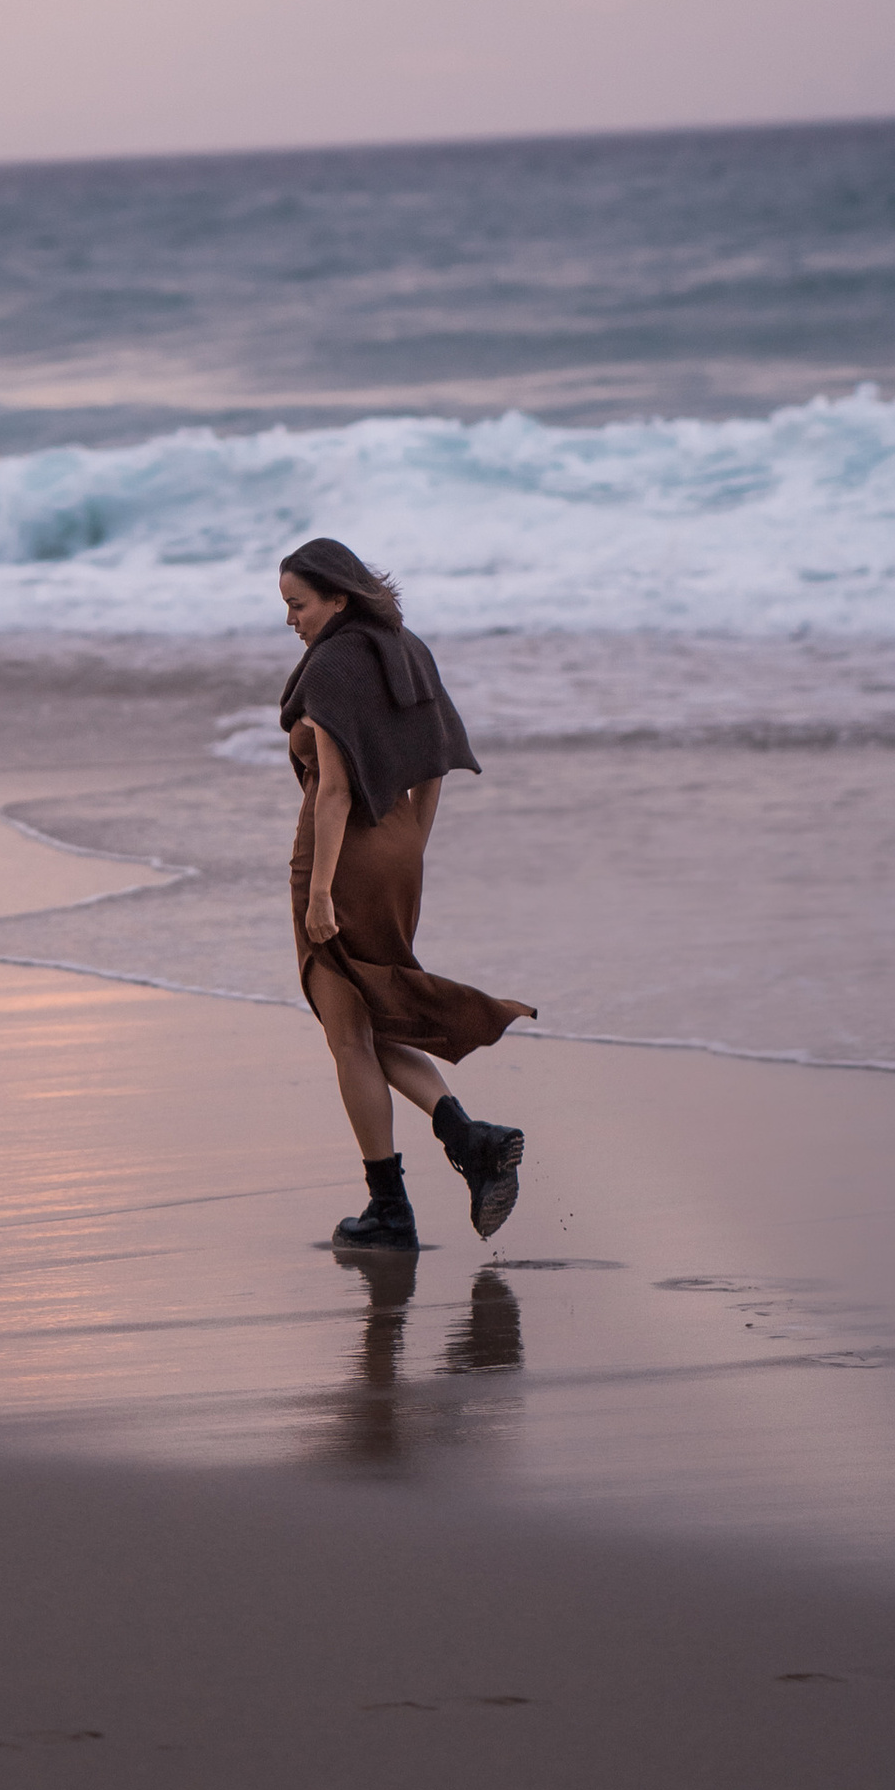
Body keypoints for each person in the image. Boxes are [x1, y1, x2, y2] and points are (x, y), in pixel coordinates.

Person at [278, 537, 534, 1254]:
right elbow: (436, 762)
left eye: (298, 605)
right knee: (376, 1018)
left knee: (347, 1034)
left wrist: (321, 891)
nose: (292, 620)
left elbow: (332, 792)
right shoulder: (406, 646)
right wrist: (412, 844)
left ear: (336, 597)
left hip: (342, 855)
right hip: (400, 851)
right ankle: (466, 1139)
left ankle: (391, 1210)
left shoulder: (331, 665)